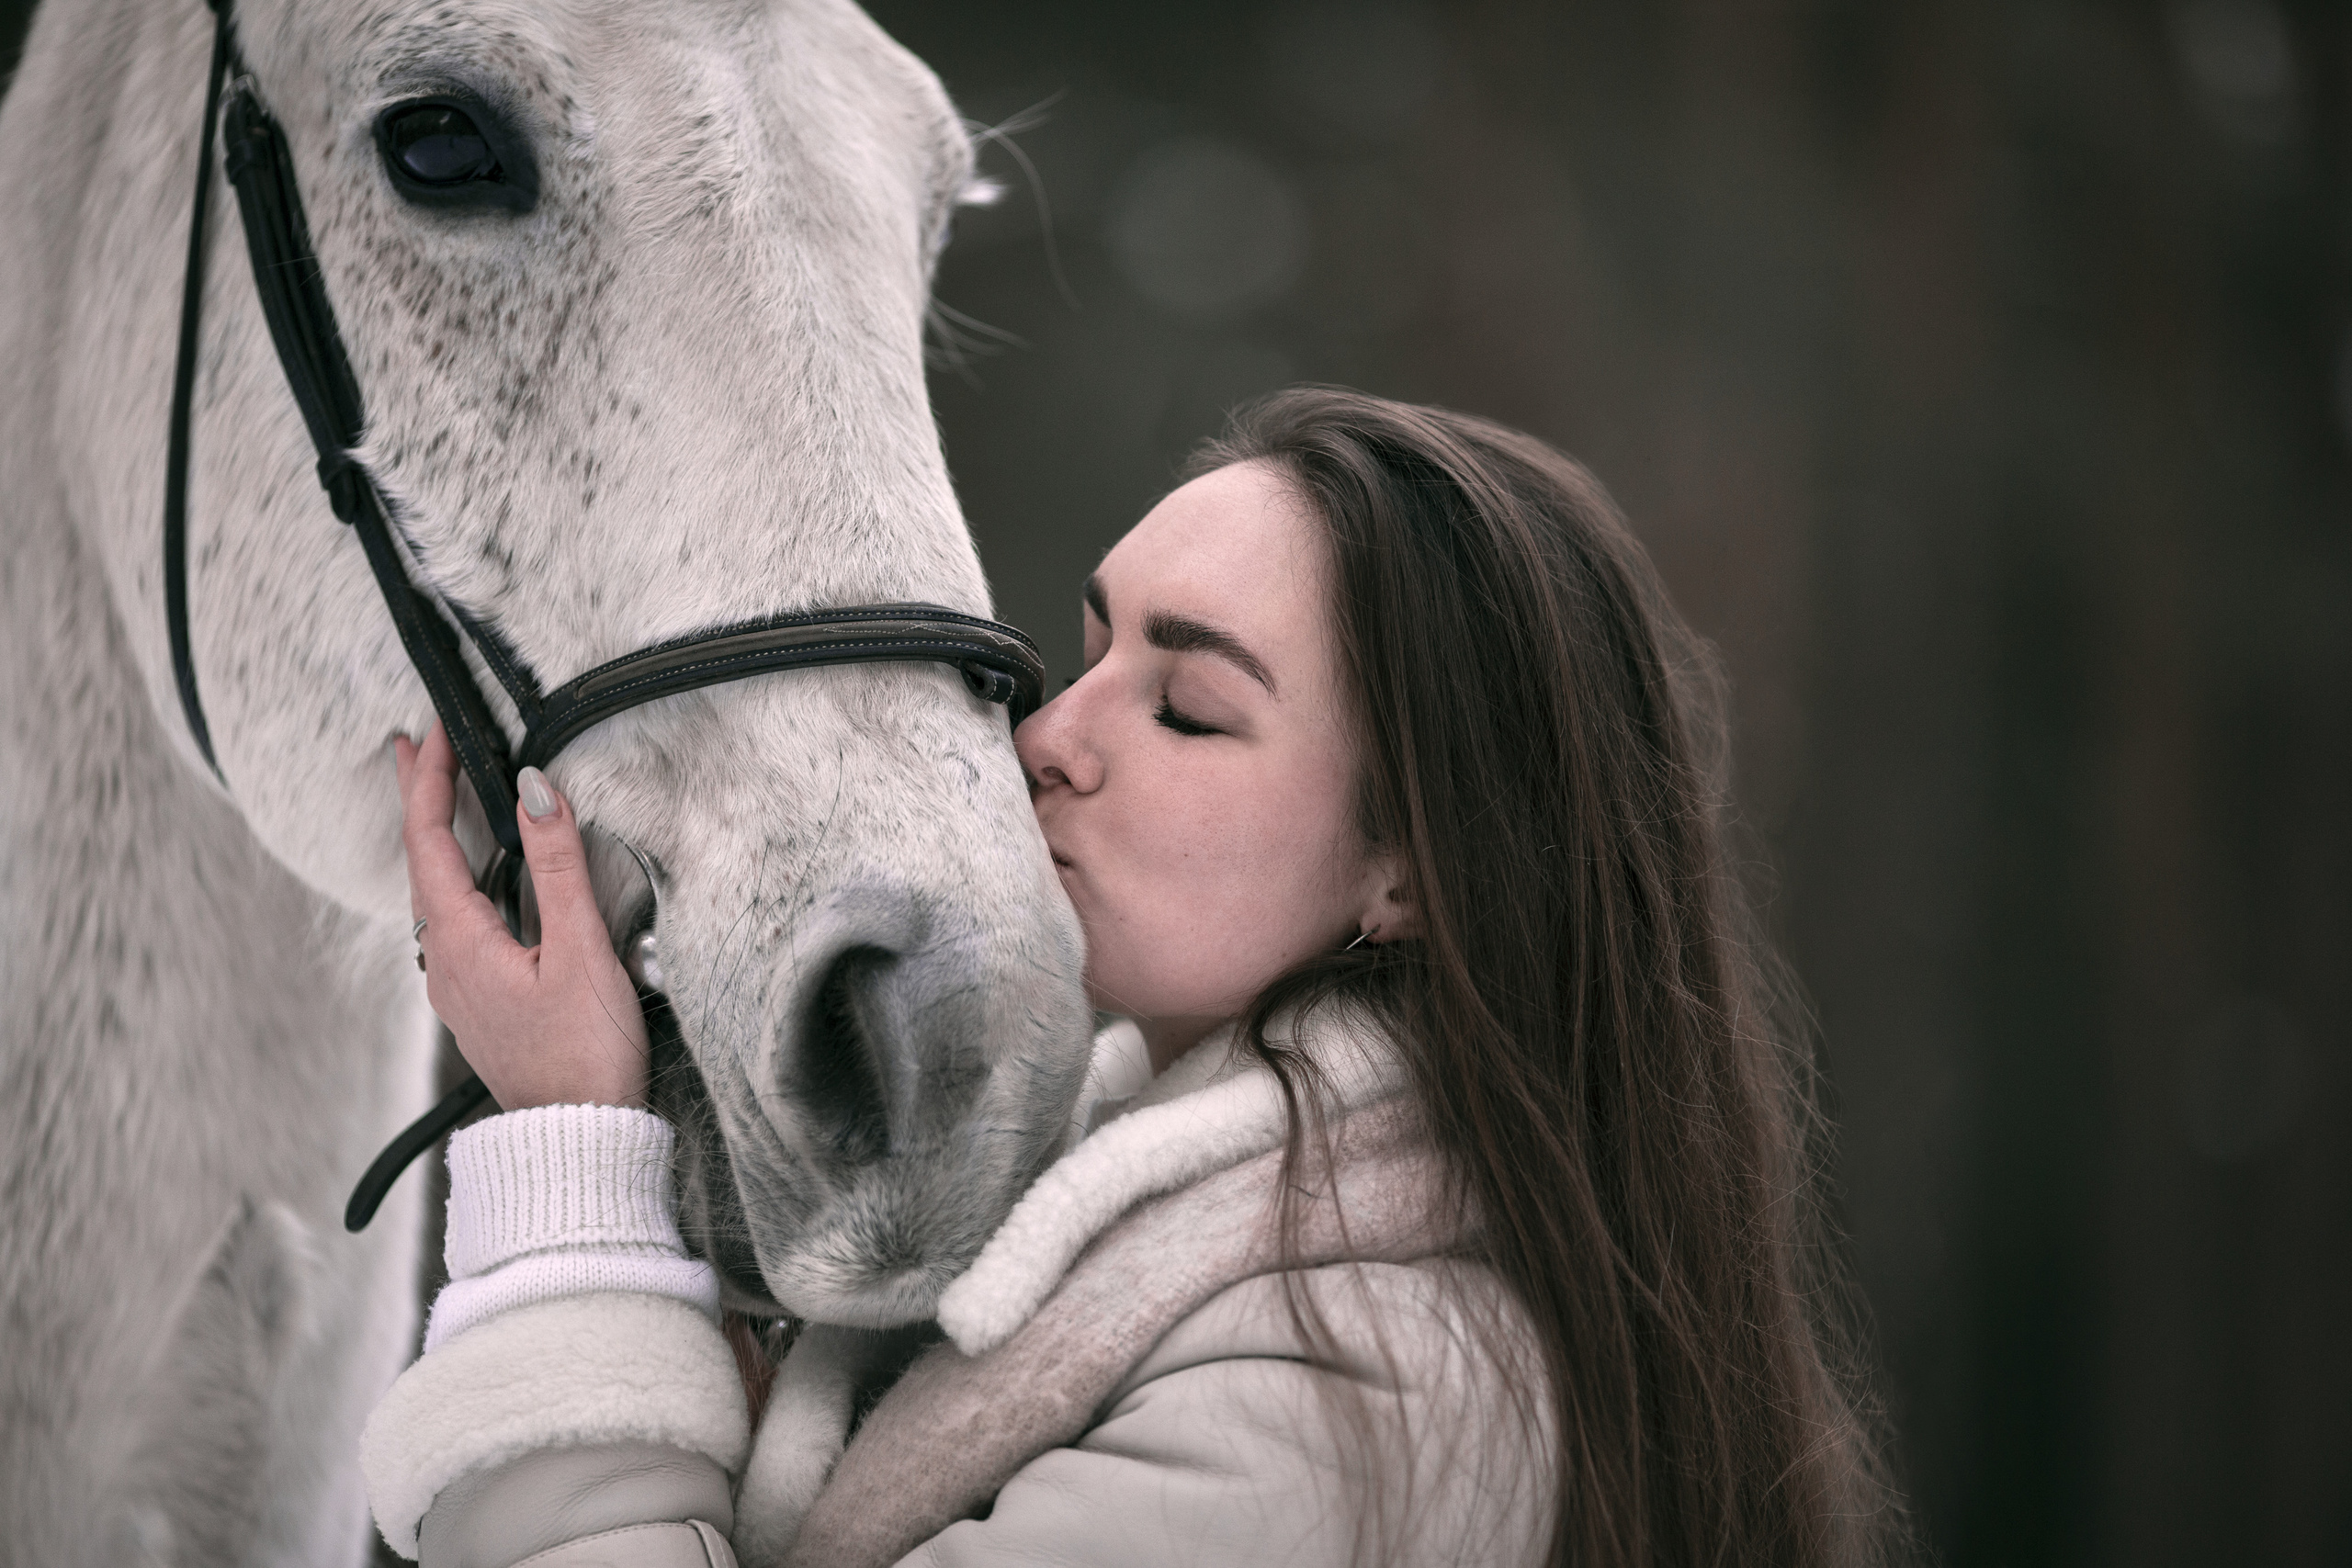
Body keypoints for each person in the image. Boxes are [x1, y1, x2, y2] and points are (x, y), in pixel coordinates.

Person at [361, 388, 1907, 1568]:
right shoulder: (1135, 1256)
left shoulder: (1372, 1394)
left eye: (1186, 711)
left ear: (1416, 867)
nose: (1046, 739)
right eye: (1090, 650)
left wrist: (568, 1165)